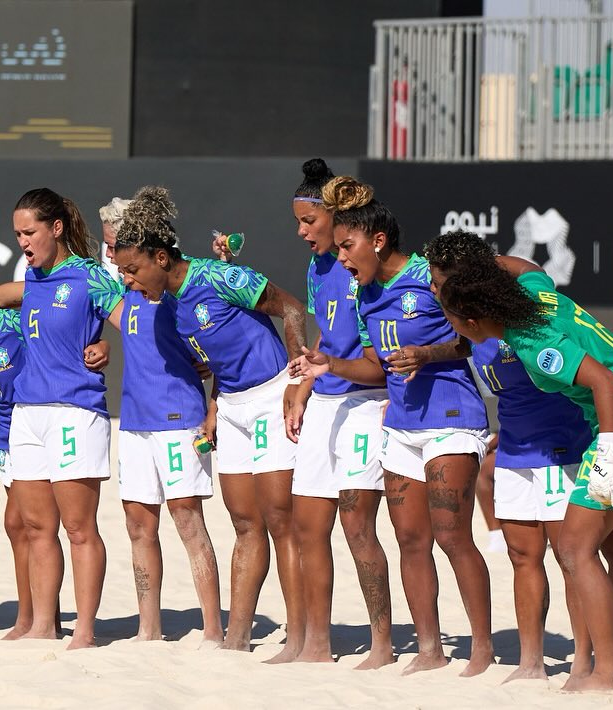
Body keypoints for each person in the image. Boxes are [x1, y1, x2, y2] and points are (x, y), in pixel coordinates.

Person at [437, 257, 613, 693]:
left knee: (574, 548)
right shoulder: (533, 293)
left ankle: (604, 675)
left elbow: (604, 382)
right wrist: (478, 267)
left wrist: (606, 455)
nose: (450, 326)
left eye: (451, 318)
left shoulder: (530, 341)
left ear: (472, 321)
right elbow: (526, 265)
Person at [290, 177, 494, 676]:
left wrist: (428, 354)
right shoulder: (366, 294)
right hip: (401, 424)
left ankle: (483, 648)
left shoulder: (429, 276)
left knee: (452, 535)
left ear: (377, 241)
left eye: (347, 246)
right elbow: (375, 367)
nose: (341, 257)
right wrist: (327, 367)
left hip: (451, 418)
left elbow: (475, 337)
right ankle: (430, 649)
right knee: (411, 541)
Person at [111, 185, 308, 662]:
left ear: (161, 257)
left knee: (281, 520)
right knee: (245, 523)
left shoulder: (218, 277)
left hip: (273, 394)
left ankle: (301, 637)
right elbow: (218, 359)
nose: (129, 281)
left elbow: (291, 307)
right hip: (234, 406)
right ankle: (236, 637)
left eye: (133, 270)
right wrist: (216, 405)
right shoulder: (168, 304)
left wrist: (297, 378)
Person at [221, 160, 394, 667]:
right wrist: (302, 385)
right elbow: (326, 335)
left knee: (358, 529)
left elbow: (378, 354)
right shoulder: (318, 268)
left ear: (337, 219)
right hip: (325, 401)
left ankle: (382, 645)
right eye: (297, 221)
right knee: (305, 527)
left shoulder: (365, 267)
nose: (300, 231)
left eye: (308, 221)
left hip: (365, 403)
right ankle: (312, 643)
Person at [424, 230, 592, 683]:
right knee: (522, 555)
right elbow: (464, 348)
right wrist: (424, 355)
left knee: (569, 556)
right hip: (515, 445)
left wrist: (482, 262)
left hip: (561, 445)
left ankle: (582, 661)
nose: (433, 289)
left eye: (439, 281)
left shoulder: (524, 305)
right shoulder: (469, 320)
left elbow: (532, 270)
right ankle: (531, 662)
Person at [0, 279, 108, 640]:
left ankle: (36, 620)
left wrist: (100, 345)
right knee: (20, 526)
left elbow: (48, 304)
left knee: (29, 523)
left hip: (42, 419)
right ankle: (34, 619)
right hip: (8, 433)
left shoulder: (8, 322)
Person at [7, 188, 125, 650]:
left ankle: (85, 631)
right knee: (37, 528)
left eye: (29, 232)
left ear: (55, 228)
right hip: (27, 412)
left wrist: (108, 345)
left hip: (75, 411)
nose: (23, 242)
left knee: (79, 529)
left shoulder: (91, 275)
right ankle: (42, 624)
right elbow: (6, 297)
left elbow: (132, 321)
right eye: (17, 234)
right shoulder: (32, 276)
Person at [105, 192, 224, 645]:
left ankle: (213, 629)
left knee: (188, 522)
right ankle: (148, 629)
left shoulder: (177, 288)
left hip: (179, 418)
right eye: (110, 247)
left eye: (115, 244)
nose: (112, 256)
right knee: (138, 526)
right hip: (135, 421)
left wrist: (211, 387)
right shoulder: (127, 287)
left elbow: (220, 345)